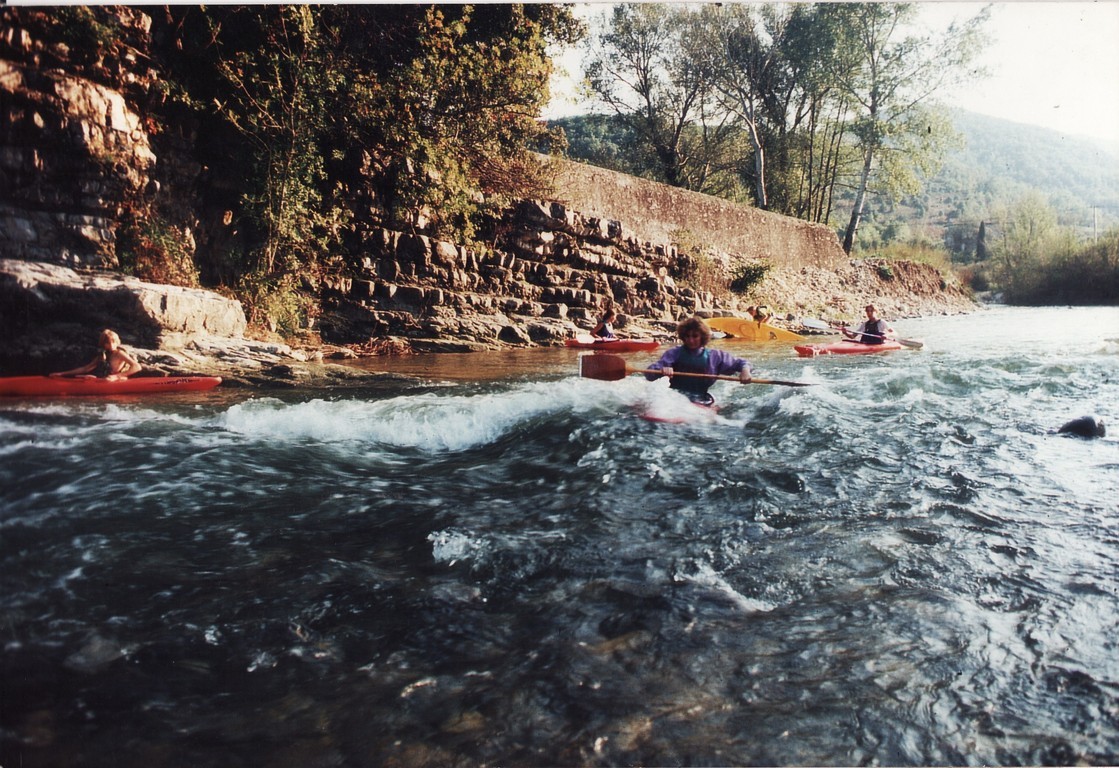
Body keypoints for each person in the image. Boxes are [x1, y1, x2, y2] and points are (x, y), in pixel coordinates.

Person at [644, 316, 752, 406]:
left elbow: (742, 363)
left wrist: (745, 371)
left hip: (701, 399)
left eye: (695, 336)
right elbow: (649, 374)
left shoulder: (715, 356)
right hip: (675, 397)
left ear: (702, 337)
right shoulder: (673, 353)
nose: (690, 340)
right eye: (687, 336)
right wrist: (661, 370)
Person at [51, 328, 142, 380]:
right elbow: (85, 368)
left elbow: (137, 367)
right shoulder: (103, 354)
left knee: (90, 377)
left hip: (116, 380)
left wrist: (117, 376)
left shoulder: (120, 354)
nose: (111, 345)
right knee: (84, 376)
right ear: (103, 344)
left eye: (113, 342)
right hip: (103, 380)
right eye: (108, 343)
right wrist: (62, 373)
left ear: (117, 342)